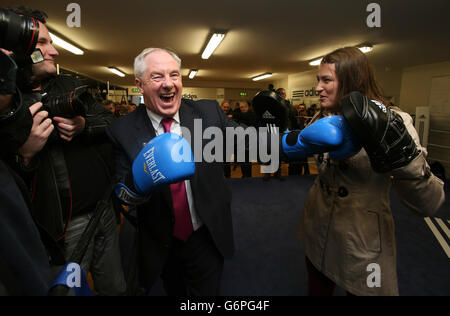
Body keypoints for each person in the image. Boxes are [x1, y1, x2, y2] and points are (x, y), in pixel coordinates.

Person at [297, 46, 445, 296]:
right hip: (318, 222)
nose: (318, 88)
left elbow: (429, 204)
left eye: (326, 80)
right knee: (317, 285)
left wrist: (403, 157)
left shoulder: (393, 121)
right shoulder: (323, 117)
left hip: (361, 234)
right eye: (317, 80)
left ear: (353, 80)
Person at [7, 7, 126, 295]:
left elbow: (111, 123)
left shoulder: (68, 84)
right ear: (18, 50)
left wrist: (84, 124)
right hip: (61, 227)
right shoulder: (8, 103)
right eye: (43, 44)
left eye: (52, 42)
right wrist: (24, 154)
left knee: (114, 286)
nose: (54, 51)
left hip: (103, 209)